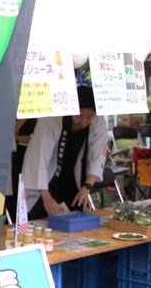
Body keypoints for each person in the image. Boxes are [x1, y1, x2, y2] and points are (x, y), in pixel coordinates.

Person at [22, 85, 108, 219]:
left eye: (89, 117)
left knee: (72, 217)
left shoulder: (98, 122)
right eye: (79, 116)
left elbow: (97, 157)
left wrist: (86, 188)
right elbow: (38, 159)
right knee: (41, 219)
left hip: (73, 181)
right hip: (47, 181)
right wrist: (46, 196)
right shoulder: (51, 120)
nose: (84, 122)